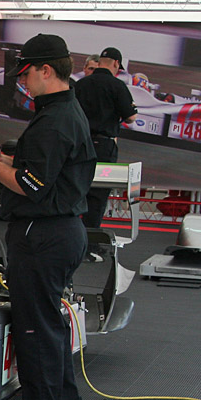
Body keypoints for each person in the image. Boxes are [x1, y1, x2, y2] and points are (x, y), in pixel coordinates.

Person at [0, 33, 96, 400]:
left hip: (44, 235)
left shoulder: (55, 120)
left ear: (46, 70)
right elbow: (45, 168)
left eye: (27, 74)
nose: (23, 82)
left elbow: (33, 185)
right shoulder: (66, 111)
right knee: (48, 324)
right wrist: (5, 158)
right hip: (60, 231)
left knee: (34, 328)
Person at [75, 47, 138, 261]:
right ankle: (90, 245)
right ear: (117, 65)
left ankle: (73, 240)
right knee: (97, 196)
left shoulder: (81, 84)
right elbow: (130, 117)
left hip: (79, 145)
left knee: (76, 191)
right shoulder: (117, 86)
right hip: (103, 147)